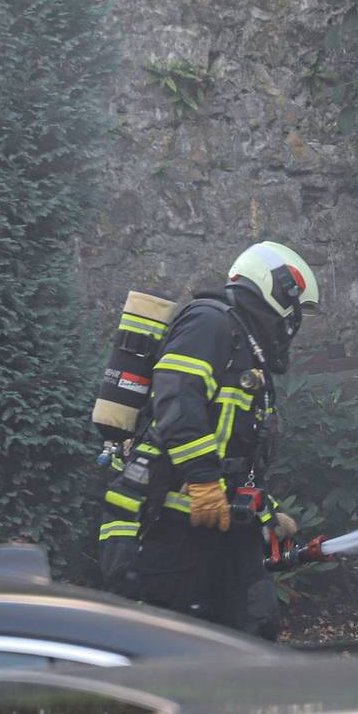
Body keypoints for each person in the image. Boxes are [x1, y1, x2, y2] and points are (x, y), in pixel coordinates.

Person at [125, 241, 317, 638]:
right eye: (297, 309)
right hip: (174, 521)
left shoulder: (246, 347)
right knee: (174, 639)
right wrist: (203, 480)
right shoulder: (209, 322)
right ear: (280, 289)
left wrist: (266, 514)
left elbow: (237, 451)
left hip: (221, 523)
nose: (293, 324)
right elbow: (178, 399)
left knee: (256, 625)